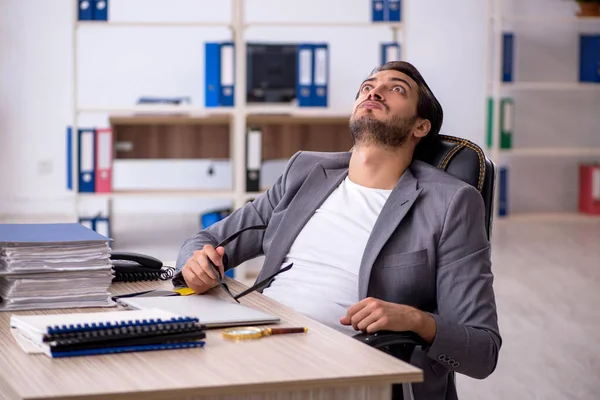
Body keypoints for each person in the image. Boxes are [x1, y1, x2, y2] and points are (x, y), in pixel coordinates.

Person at [173, 61, 501, 400]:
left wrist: (416, 320)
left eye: (397, 88)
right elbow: (206, 240)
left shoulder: (451, 202)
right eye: (367, 86)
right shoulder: (306, 170)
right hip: (255, 339)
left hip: (344, 368)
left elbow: (481, 349)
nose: (374, 91)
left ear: (421, 127)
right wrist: (195, 264)